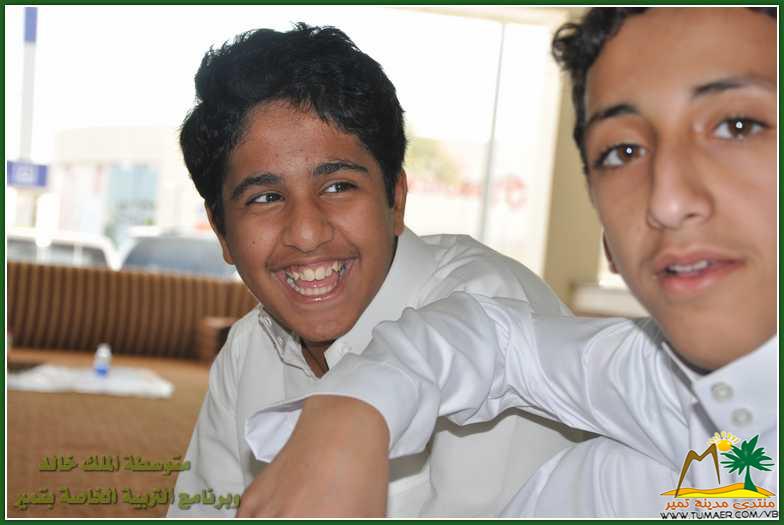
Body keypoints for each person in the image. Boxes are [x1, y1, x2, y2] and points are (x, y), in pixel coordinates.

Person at [235, 7, 778, 517]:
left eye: (738, 125)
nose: (667, 199)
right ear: (608, 240)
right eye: (623, 152)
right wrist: (353, 409)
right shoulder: (661, 393)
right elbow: (503, 344)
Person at [167, 22, 588, 517]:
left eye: (338, 187)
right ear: (222, 233)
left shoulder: (493, 310)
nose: (306, 232)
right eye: (265, 197)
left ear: (396, 199)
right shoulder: (249, 349)